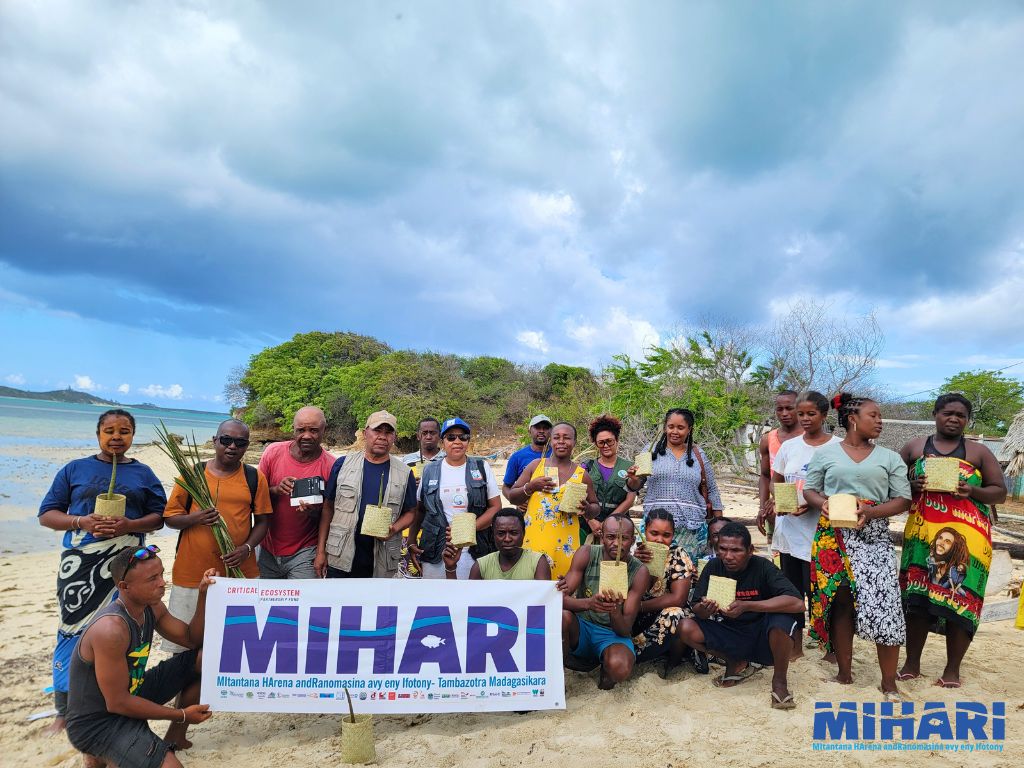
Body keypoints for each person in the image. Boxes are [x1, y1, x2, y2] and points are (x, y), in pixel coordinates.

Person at [37, 408, 166, 733]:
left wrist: (130, 524)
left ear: (133, 436)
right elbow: (47, 514)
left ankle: (117, 699)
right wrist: (82, 521)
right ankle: (64, 710)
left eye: (124, 431)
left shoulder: (144, 474)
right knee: (71, 628)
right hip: (80, 564)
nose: (116, 436)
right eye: (109, 430)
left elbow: (159, 516)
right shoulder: (75, 469)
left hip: (127, 566)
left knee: (123, 627)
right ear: (98, 434)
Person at [803, 393, 912, 701]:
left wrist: (871, 513)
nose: (880, 421)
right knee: (840, 602)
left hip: (874, 535)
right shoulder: (826, 455)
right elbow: (810, 489)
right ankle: (844, 673)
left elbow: (903, 499)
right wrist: (823, 504)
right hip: (833, 535)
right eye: (874, 415)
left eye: (880, 416)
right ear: (853, 419)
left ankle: (889, 683)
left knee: (886, 604)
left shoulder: (889, 458)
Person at [65, 545, 214, 768]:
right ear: (124, 587)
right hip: (98, 721)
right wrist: (181, 714)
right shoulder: (111, 629)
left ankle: (174, 738)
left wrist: (204, 595)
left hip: (133, 690)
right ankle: (100, 752)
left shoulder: (151, 607)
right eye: (152, 579)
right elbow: (117, 702)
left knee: (205, 659)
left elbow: (192, 639)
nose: (162, 582)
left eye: (162, 574)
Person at [898, 393, 1007, 688]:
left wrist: (972, 491)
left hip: (968, 538)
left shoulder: (979, 452)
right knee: (917, 599)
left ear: (967, 420)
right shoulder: (914, 447)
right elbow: (890, 485)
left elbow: (999, 492)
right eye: (948, 413)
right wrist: (912, 484)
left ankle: (952, 670)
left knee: (961, 601)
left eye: (961, 415)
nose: (954, 419)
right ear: (935, 413)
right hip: (923, 535)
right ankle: (912, 663)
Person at [163, 419, 271, 652]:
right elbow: (170, 518)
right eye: (226, 440)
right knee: (184, 647)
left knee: (233, 646)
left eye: (240, 443)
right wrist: (196, 518)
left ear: (247, 447)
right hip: (191, 573)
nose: (232, 446)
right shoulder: (193, 474)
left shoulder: (254, 478)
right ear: (215, 441)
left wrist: (247, 549)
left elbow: (263, 522)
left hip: (240, 575)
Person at [674, 522, 804, 709]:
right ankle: (734, 661)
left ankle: (780, 681)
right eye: (723, 549)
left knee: (782, 621)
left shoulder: (762, 567)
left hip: (765, 636)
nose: (728, 556)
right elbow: (697, 608)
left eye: (736, 550)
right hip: (732, 632)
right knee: (685, 627)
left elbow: (797, 603)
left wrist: (748, 605)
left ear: (750, 550)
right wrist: (706, 608)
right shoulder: (713, 566)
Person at [770, 391, 840, 658]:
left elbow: (843, 488)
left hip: (822, 533)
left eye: (812, 413)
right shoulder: (790, 447)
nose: (805, 419)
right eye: (802, 414)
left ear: (824, 415)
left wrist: (812, 503)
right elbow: (777, 478)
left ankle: (830, 647)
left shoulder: (838, 447)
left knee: (823, 593)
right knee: (793, 592)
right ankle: (796, 646)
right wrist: (783, 500)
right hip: (790, 530)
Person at [316, 411, 417, 578]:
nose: (382, 437)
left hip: (381, 561)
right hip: (340, 555)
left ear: (395, 437)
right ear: (365, 433)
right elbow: (328, 508)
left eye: (388, 432)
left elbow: (411, 513)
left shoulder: (405, 473)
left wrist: (393, 529)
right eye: (377, 431)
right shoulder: (342, 465)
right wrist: (321, 552)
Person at [559, 514, 650, 689]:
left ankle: (605, 667)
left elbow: (624, 630)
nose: (616, 543)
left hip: (612, 634)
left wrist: (614, 610)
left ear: (632, 540)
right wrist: (588, 603)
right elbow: (560, 600)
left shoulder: (639, 571)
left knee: (619, 668)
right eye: (611, 537)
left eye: (624, 538)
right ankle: (558, 675)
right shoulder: (587, 553)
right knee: (561, 617)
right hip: (582, 626)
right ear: (602, 536)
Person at [407, 417, 501, 579]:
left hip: (475, 550)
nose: (457, 441)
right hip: (435, 549)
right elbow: (420, 510)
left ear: (468, 441)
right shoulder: (430, 471)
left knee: (472, 600)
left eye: (463, 437)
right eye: (451, 437)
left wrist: (470, 528)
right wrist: (411, 540)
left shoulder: (481, 467)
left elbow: (495, 507)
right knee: (437, 600)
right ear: (442, 442)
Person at [626, 408, 723, 562]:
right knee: (653, 573)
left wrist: (721, 526)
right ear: (665, 427)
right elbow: (635, 485)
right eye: (671, 427)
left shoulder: (699, 455)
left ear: (689, 430)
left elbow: (711, 489)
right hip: (655, 528)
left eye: (680, 427)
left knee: (688, 575)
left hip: (691, 530)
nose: (674, 431)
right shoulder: (651, 451)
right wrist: (632, 478)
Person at [507, 422, 600, 579]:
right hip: (534, 543)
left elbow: (596, 506)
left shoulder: (581, 474)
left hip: (566, 548)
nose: (561, 441)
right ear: (551, 441)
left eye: (567, 438)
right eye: (556, 437)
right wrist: (531, 487)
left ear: (574, 442)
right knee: (532, 592)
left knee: (561, 594)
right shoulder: (536, 466)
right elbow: (512, 496)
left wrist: (587, 509)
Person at [257, 406, 336, 579]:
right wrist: (276, 490)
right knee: (264, 604)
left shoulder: (331, 465)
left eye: (313, 430)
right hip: (267, 548)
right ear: (293, 430)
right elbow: (255, 496)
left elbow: (329, 513)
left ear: (324, 430)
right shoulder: (273, 452)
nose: (306, 435)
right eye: (301, 430)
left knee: (301, 604)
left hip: (306, 551)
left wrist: (313, 512)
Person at [631, 508, 695, 671]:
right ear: (645, 531)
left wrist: (640, 607)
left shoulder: (677, 554)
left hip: (662, 613)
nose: (660, 540)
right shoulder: (634, 553)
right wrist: (636, 564)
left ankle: (670, 664)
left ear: (673, 536)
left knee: (675, 614)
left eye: (666, 535)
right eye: (654, 533)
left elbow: (678, 598)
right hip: (636, 617)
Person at [442, 507, 551, 580]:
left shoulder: (538, 562)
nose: (507, 539)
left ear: (523, 534)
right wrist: (450, 568)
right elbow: (467, 605)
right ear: (493, 535)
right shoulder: (481, 566)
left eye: (513, 533)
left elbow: (543, 606)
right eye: (501, 533)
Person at [579, 414, 636, 543]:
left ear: (617, 441)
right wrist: (591, 521)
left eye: (609, 441)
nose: (606, 446)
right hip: (586, 527)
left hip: (618, 527)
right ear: (596, 444)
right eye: (601, 442)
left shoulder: (629, 467)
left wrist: (607, 523)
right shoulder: (586, 466)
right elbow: (579, 497)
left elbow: (629, 500)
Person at [756, 391, 803, 542]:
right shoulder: (768, 439)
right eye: (779, 409)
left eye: (790, 408)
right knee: (779, 558)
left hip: (807, 507)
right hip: (777, 511)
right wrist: (762, 508)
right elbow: (764, 476)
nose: (784, 413)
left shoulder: (810, 439)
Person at [501, 414, 552, 509]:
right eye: (537, 428)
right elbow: (506, 487)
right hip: (526, 513)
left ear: (551, 431)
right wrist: (517, 501)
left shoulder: (557, 455)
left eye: (545, 428)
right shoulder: (518, 457)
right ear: (529, 431)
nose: (541, 431)